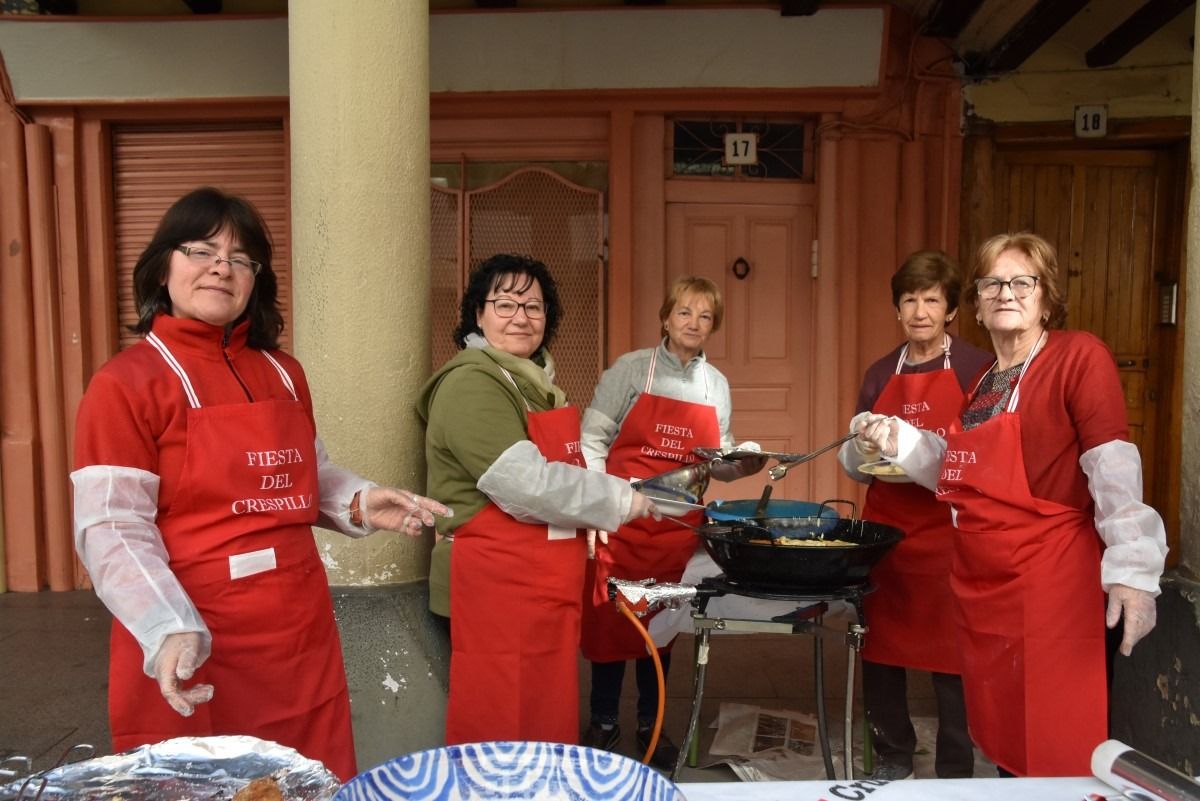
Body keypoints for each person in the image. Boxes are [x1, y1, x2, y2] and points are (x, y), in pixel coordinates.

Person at [70, 187, 450, 782]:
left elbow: (307, 472)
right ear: (162, 266)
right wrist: (164, 625)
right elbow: (112, 528)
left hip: (298, 630)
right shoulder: (126, 383)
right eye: (201, 249)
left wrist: (358, 500)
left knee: (305, 779)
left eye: (241, 257)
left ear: (255, 279)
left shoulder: (283, 371)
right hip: (195, 633)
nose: (222, 266)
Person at [853, 232, 1167, 777]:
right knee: (1005, 739)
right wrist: (894, 438)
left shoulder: (1077, 356)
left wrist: (1133, 569)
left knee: (1055, 740)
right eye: (993, 283)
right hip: (986, 586)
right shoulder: (985, 384)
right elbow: (952, 469)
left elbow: (1111, 462)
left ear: (1047, 297)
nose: (1007, 293)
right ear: (975, 302)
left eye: (1024, 281)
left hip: (1051, 584)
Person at [417, 253, 660, 746]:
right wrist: (622, 499)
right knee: (502, 727)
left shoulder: (536, 383)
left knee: (544, 722)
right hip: (496, 584)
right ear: (477, 315)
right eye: (505, 304)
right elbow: (525, 484)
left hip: (543, 583)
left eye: (534, 306)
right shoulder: (471, 383)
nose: (521, 317)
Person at [579, 276, 764, 768]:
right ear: (665, 317)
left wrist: (742, 463)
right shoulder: (632, 370)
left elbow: (714, 461)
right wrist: (599, 501)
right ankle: (602, 723)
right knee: (609, 627)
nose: (693, 323)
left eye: (705, 317)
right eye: (685, 312)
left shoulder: (714, 385)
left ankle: (651, 725)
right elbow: (592, 438)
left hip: (676, 534)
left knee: (661, 633)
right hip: (622, 522)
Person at [838, 251, 993, 780]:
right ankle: (893, 756)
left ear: (951, 309)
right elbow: (857, 463)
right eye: (909, 300)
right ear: (897, 309)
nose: (920, 310)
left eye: (931, 299)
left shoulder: (977, 369)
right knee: (881, 651)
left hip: (950, 532)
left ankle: (956, 767)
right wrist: (861, 451)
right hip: (890, 534)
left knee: (954, 659)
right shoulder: (881, 372)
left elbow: (984, 456)